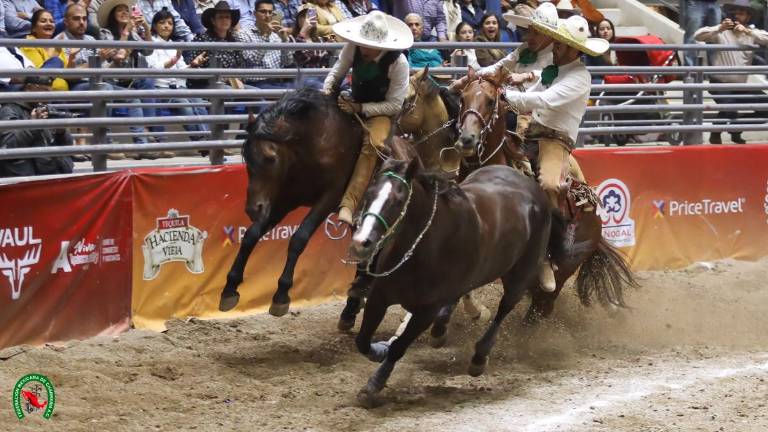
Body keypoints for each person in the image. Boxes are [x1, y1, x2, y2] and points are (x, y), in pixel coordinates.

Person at [503, 14, 608, 291]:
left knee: (550, 184)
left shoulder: (580, 76)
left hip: (555, 141)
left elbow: (543, 99)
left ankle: (546, 255)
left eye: (561, 44)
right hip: (530, 133)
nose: (556, 47)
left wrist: (506, 97)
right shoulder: (553, 68)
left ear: (575, 50)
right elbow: (531, 97)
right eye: (557, 42)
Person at [322, 11, 413, 225]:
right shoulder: (352, 47)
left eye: (367, 45)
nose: (362, 48)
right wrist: (327, 92)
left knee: (373, 144)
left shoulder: (398, 64)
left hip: (380, 112)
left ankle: (349, 204)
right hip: (351, 100)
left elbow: (394, 105)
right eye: (361, 43)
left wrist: (360, 108)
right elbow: (337, 72)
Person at [694, 0, 768, 144]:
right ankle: (716, 132)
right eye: (735, 13)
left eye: (741, 13)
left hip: (740, 86)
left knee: (766, 106)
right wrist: (720, 28)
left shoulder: (752, 33)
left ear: (748, 17)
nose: (737, 16)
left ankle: (736, 129)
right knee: (730, 105)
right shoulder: (721, 31)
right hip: (719, 83)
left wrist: (747, 31)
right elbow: (698, 35)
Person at [146, 7, 210, 148]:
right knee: (186, 106)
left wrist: (192, 65)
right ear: (155, 26)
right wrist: (171, 63)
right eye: (162, 22)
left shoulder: (174, 45)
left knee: (199, 103)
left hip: (180, 88)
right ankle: (200, 142)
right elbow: (153, 69)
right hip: (162, 89)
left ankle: (209, 141)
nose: (166, 26)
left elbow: (181, 72)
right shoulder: (150, 44)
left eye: (169, 23)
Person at [0, 75, 74, 177]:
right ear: (29, 88)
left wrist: (61, 132)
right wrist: (33, 125)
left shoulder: (48, 109)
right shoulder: (9, 110)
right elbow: (8, 148)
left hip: (54, 175)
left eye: (50, 92)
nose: (48, 97)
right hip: (26, 180)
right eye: (44, 91)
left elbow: (68, 147)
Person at [183, 1, 247, 89]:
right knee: (228, 91)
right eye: (220, 17)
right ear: (213, 21)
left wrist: (236, 78)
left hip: (232, 83)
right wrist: (227, 78)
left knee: (256, 93)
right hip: (205, 84)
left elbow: (241, 66)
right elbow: (195, 69)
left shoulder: (235, 41)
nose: (224, 20)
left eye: (227, 17)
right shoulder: (202, 40)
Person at [240, 0, 294, 88]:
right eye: (263, 12)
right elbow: (253, 60)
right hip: (256, 83)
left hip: (278, 81)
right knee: (291, 95)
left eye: (270, 12)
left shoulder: (276, 35)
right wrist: (265, 36)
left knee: (308, 86)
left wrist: (284, 41)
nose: (267, 16)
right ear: (254, 13)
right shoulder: (244, 33)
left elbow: (287, 62)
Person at [19, 10, 70, 91]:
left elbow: (67, 73)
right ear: (34, 28)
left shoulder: (56, 45)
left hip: (63, 94)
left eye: (52, 21)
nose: (49, 23)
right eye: (43, 21)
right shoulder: (29, 43)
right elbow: (38, 75)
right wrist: (55, 54)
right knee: (56, 61)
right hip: (40, 93)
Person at [683, 0, 723, 66]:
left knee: (715, 37)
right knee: (692, 38)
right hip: (696, 3)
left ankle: (714, 72)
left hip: (714, 2)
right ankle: (689, 72)